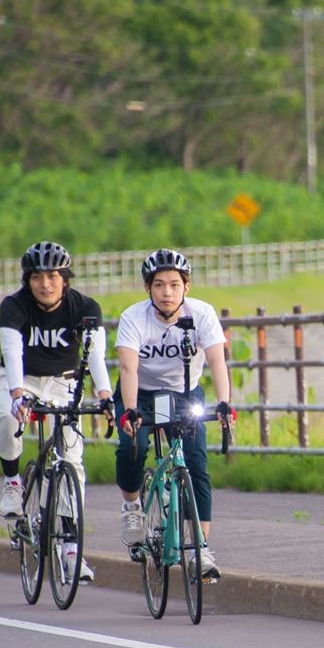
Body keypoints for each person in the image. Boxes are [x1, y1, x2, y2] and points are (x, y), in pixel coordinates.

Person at [0, 241, 112, 584]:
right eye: (37, 277)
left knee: (72, 461)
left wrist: (105, 396)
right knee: (5, 417)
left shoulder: (85, 308)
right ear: (27, 280)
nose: (45, 284)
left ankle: (72, 547)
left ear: (65, 278)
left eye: (53, 276)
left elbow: (94, 358)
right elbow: (11, 353)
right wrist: (17, 394)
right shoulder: (14, 306)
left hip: (64, 382)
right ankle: (13, 481)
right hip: (22, 379)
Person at [114, 248, 236, 581]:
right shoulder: (133, 318)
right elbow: (128, 367)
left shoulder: (203, 314)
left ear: (186, 287)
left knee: (196, 466)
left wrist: (224, 403)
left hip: (184, 392)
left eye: (174, 284)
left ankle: (200, 549)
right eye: (158, 285)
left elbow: (217, 362)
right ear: (148, 288)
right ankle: (132, 507)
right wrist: (129, 411)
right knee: (131, 448)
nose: (167, 292)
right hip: (139, 391)